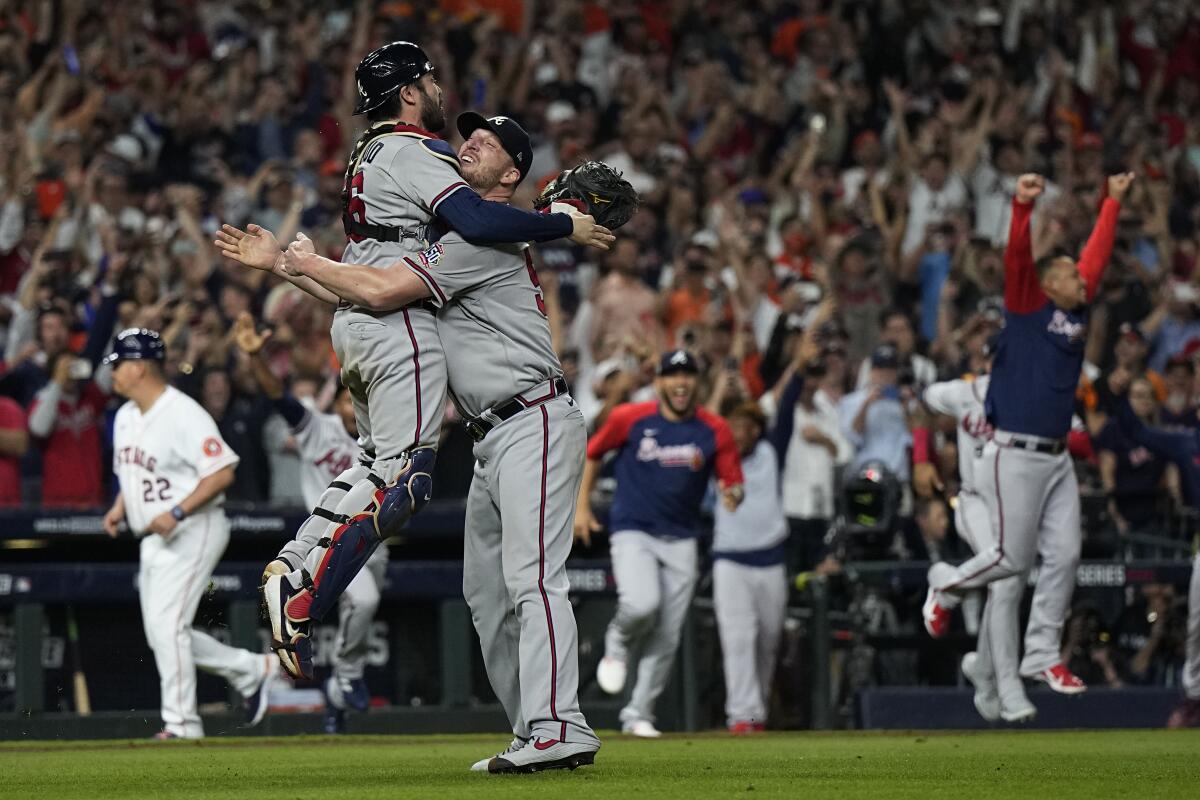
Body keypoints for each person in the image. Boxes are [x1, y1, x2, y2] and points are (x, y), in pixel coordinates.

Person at [215, 41, 612, 681]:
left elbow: (372, 275)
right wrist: (565, 225)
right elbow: (474, 222)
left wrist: (290, 266)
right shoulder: (417, 152)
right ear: (407, 92)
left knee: (378, 465)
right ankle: (300, 582)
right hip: (392, 319)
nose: (439, 94)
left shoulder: (369, 156)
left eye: (487, 140)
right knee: (405, 477)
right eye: (428, 80)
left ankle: (297, 564)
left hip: (361, 321)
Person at [923, 171, 1134, 697]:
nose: (1080, 278)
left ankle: (1041, 655)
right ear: (1046, 284)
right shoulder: (1024, 306)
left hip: (1057, 455)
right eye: (1067, 273)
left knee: (1065, 555)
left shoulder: (1074, 310)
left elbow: (1096, 260)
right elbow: (1019, 260)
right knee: (1011, 561)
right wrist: (1020, 208)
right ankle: (945, 587)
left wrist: (1110, 203)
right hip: (1012, 453)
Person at [101, 328, 279, 739]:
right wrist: (119, 507)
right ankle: (254, 670)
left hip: (194, 527)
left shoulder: (183, 413)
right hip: (154, 535)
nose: (112, 373)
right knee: (164, 633)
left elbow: (222, 473)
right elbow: (132, 472)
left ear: (139, 367)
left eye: (119, 365)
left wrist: (179, 511)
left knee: (167, 628)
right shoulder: (126, 415)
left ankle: (182, 724)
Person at [576, 349, 744, 737]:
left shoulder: (714, 428)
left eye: (688, 374)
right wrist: (581, 507)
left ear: (697, 382)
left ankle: (638, 714)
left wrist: (733, 493)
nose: (681, 382)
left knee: (668, 632)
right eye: (673, 375)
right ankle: (617, 641)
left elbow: (732, 481)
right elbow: (592, 453)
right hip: (634, 527)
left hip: (683, 536)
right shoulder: (630, 418)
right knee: (641, 603)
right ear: (659, 382)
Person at [230, 312, 384, 735]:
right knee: (365, 602)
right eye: (349, 397)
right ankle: (347, 677)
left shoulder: (388, 436)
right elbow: (279, 397)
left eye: (363, 398)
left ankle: (336, 698)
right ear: (336, 401)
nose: (355, 405)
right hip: (331, 539)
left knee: (363, 608)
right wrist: (257, 360)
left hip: (378, 540)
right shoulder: (322, 428)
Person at [1108, 380, 1200, 727]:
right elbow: (1136, 431)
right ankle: (1193, 698)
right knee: (1198, 627)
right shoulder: (1187, 441)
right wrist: (1118, 395)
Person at [712, 402, 787, 734]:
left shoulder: (772, 452)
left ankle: (758, 713)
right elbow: (703, 426)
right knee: (738, 637)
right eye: (730, 426)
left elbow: (785, 414)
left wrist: (798, 370)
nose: (735, 433)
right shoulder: (717, 458)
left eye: (741, 426)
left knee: (768, 639)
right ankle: (742, 716)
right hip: (729, 559)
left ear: (756, 430)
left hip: (771, 558)